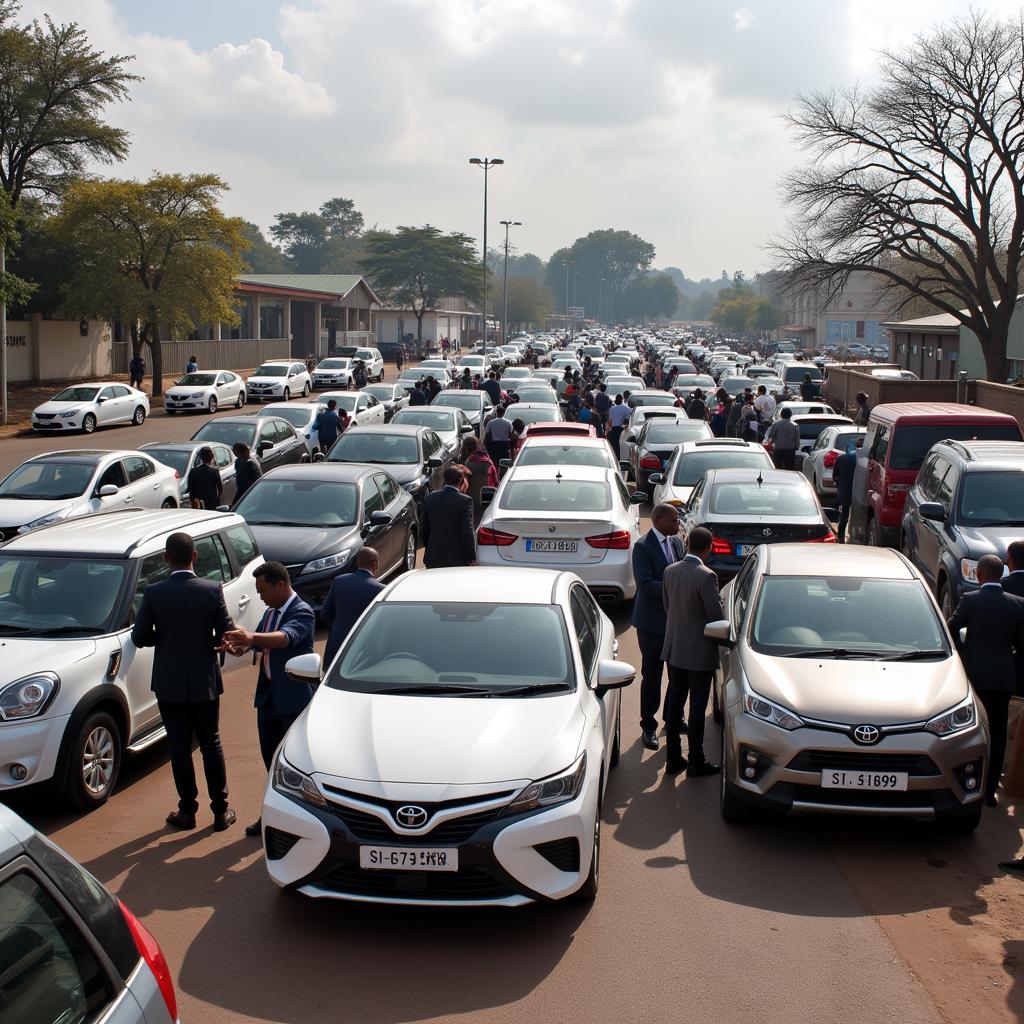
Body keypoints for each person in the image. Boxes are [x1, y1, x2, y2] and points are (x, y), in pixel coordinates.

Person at [131, 532, 237, 831]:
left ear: (166, 558)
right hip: (204, 680)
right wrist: (210, 642)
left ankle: (187, 812)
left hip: (169, 682)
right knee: (211, 743)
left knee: (179, 747)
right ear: (195, 556)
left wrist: (164, 638)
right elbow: (226, 634)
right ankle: (220, 811)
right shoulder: (211, 589)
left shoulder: (154, 592)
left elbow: (139, 637)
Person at [222, 561, 316, 836]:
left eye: (263, 591)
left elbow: (284, 639)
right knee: (271, 762)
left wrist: (251, 636)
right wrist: (241, 646)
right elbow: (263, 644)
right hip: (268, 700)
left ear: (280, 585)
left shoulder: (303, 612)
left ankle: (299, 820)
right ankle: (273, 815)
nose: (260, 596)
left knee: (296, 766)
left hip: (293, 701)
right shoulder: (271, 612)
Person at [947, 554, 1024, 806]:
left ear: (979, 574)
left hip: (974, 676)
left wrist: (964, 653)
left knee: (971, 731)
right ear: (1000, 574)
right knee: (998, 733)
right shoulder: (1017, 604)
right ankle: (990, 791)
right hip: (1003, 678)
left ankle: (969, 785)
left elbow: (951, 627)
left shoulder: (971, 600)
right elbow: (1021, 644)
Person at [661, 527, 724, 776]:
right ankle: (696, 760)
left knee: (675, 703)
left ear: (687, 543)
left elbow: (668, 606)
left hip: (675, 649)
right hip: (699, 654)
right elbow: (716, 618)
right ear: (709, 548)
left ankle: (673, 758)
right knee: (697, 707)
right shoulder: (707, 576)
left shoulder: (670, 570)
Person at [633, 504, 685, 751]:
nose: (678, 524)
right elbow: (645, 584)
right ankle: (648, 724)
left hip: (675, 622)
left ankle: (673, 718)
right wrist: (675, 587)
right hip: (651, 624)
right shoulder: (643, 547)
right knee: (652, 675)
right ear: (658, 521)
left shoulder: (676, 543)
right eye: (674, 520)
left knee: (677, 674)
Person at [322, 547, 385, 666]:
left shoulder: (339, 581)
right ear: (375, 563)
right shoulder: (380, 589)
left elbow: (325, 613)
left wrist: (337, 626)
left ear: (357, 562)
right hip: (362, 652)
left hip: (336, 644)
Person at [421, 466, 476, 568]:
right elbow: (467, 531)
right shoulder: (465, 501)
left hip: (433, 555)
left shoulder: (430, 498)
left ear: (444, 479)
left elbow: (425, 528)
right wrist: (471, 556)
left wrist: (428, 547)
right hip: (457, 558)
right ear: (460, 480)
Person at [833, 438, 860, 542]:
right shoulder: (861, 459)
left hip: (845, 491)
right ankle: (856, 536)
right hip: (859, 492)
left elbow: (835, 476)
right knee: (858, 516)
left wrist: (839, 483)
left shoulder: (840, 458)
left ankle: (841, 536)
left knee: (844, 515)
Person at [187, 446, 223, 510]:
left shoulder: (193, 471)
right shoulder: (214, 471)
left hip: (198, 504)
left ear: (200, 457)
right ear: (212, 457)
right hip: (212, 503)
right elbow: (220, 489)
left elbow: (190, 489)